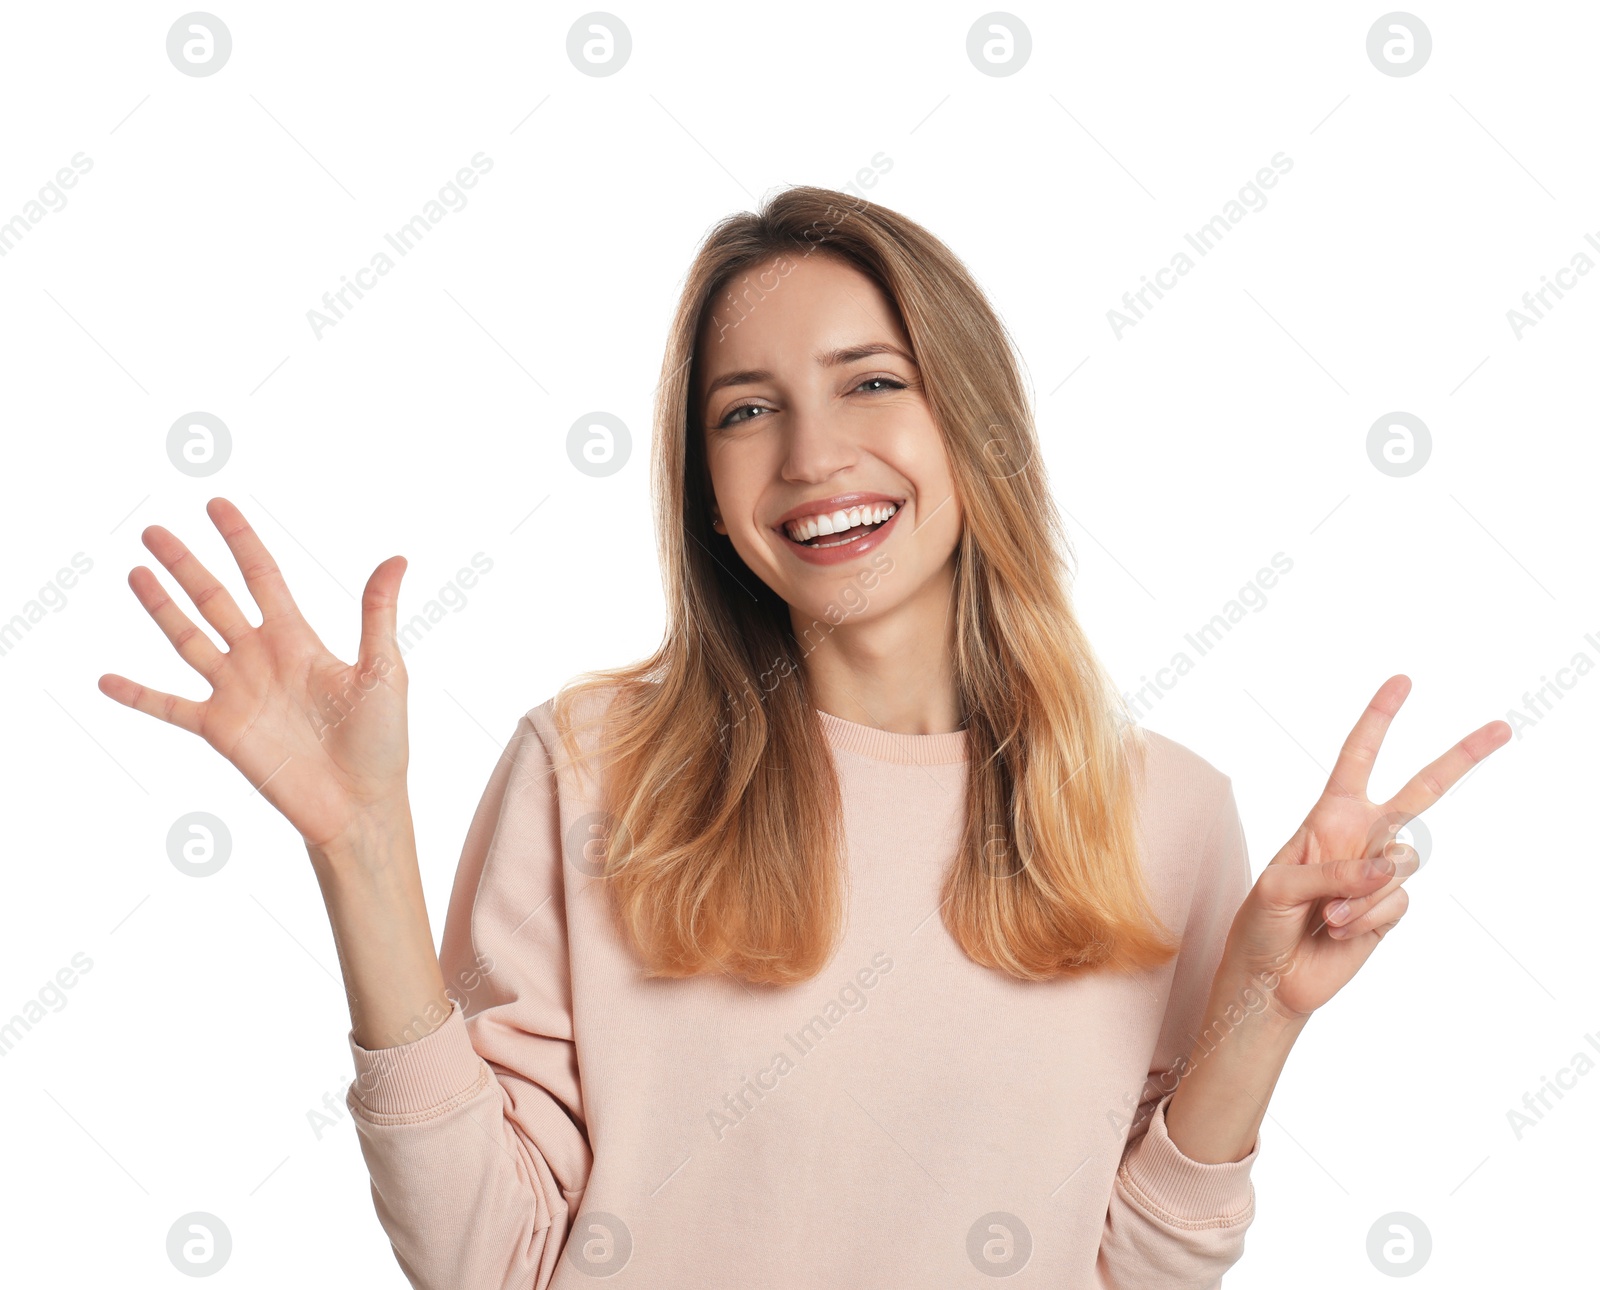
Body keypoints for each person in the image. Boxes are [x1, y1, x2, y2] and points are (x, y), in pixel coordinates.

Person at [98, 185, 1510, 1288]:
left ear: (977, 426)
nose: (813, 452)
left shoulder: (1172, 818)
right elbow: (491, 1260)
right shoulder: (593, 770)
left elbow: (1137, 1266)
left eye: (872, 380)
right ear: (709, 491)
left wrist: (1264, 1009)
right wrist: (359, 849)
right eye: (748, 409)